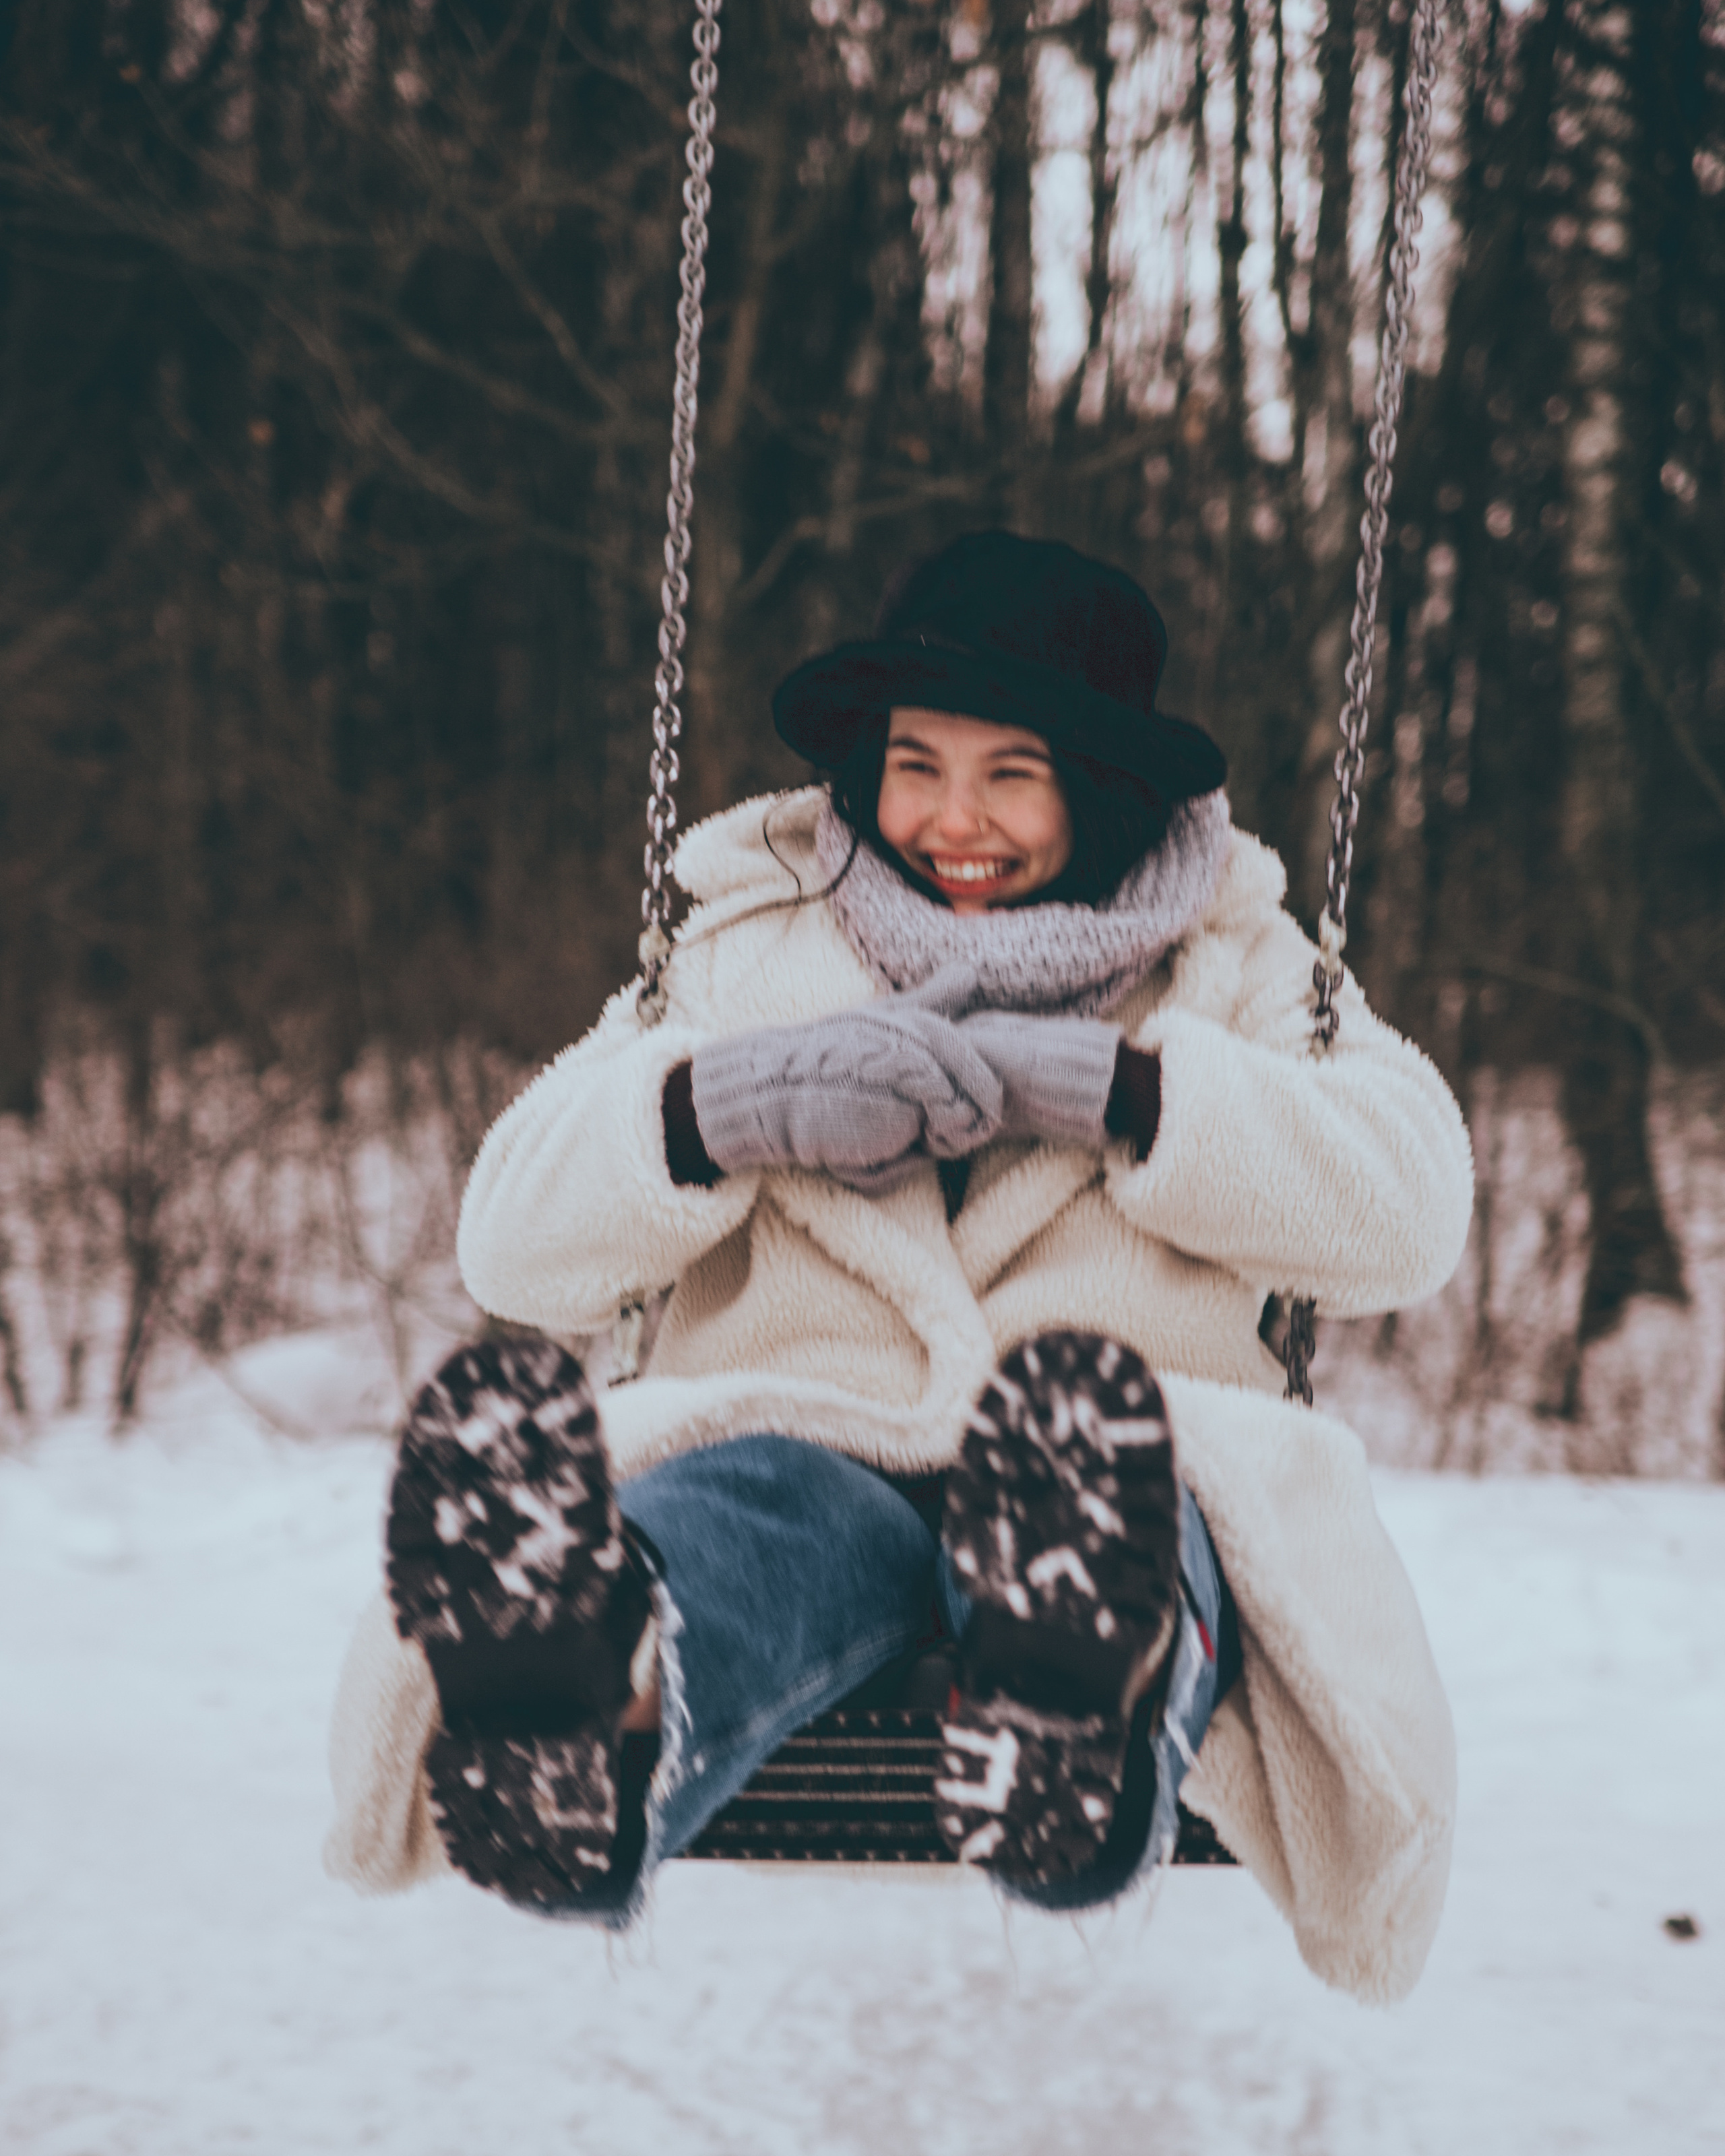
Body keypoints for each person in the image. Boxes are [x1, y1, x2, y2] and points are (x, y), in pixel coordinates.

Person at [325, 531, 1472, 2004]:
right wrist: (711, 1109)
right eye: (915, 760)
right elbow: (511, 1240)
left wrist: (1122, 1093)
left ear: (1102, 784)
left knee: (1123, 1493)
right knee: (745, 1520)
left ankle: (1074, 1692)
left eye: (1012, 772)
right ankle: (597, 1698)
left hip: (1121, 1447)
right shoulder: (746, 939)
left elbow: (1409, 1205)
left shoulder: (1233, 963)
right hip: (807, 1430)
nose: (950, 818)